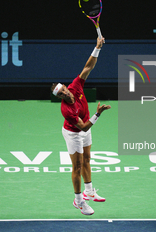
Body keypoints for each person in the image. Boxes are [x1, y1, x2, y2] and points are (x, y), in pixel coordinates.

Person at [51, 37, 111, 216]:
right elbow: (83, 127)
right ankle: (78, 201)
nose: (65, 92)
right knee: (76, 167)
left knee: (87, 159)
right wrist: (98, 113)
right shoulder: (67, 110)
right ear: (59, 97)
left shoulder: (75, 86)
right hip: (74, 134)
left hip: (86, 128)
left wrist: (97, 48)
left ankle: (90, 191)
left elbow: (88, 67)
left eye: (64, 89)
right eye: (62, 93)